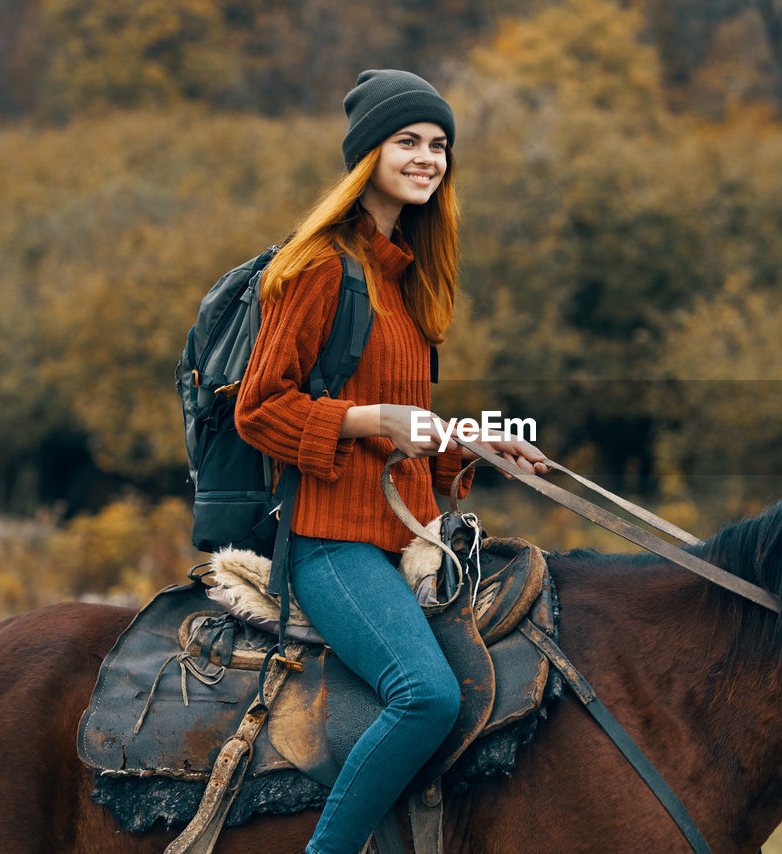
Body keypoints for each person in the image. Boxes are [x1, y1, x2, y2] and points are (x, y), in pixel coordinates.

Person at [235, 69, 547, 854]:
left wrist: (472, 441)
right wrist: (369, 420)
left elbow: (409, 427)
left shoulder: (410, 280)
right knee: (426, 697)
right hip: (331, 543)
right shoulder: (316, 270)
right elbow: (259, 410)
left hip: (405, 538)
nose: (427, 157)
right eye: (408, 141)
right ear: (367, 153)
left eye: (439, 144)